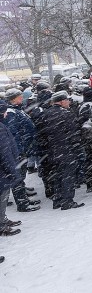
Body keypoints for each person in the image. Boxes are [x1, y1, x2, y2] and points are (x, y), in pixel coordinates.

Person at [42, 91, 84, 210]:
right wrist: (76, 147)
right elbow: (74, 133)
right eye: (66, 100)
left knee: (57, 175)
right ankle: (67, 201)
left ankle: (57, 200)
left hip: (52, 150)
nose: (69, 102)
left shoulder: (45, 113)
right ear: (61, 101)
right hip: (66, 149)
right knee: (68, 175)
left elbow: (42, 134)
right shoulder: (66, 114)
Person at [2, 88, 40, 212]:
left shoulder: (17, 110)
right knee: (18, 178)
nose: (22, 98)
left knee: (21, 176)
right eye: (19, 96)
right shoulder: (11, 113)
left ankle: (23, 198)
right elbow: (14, 134)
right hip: (19, 151)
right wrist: (20, 150)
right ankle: (22, 204)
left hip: (24, 148)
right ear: (13, 99)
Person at [0, 100, 22, 237]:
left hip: (3, 170)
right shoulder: (0, 129)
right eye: (5, 112)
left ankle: (3, 219)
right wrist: (13, 171)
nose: (7, 114)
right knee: (2, 197)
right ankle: (1, 225)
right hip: (3, 171)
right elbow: (5, 153)